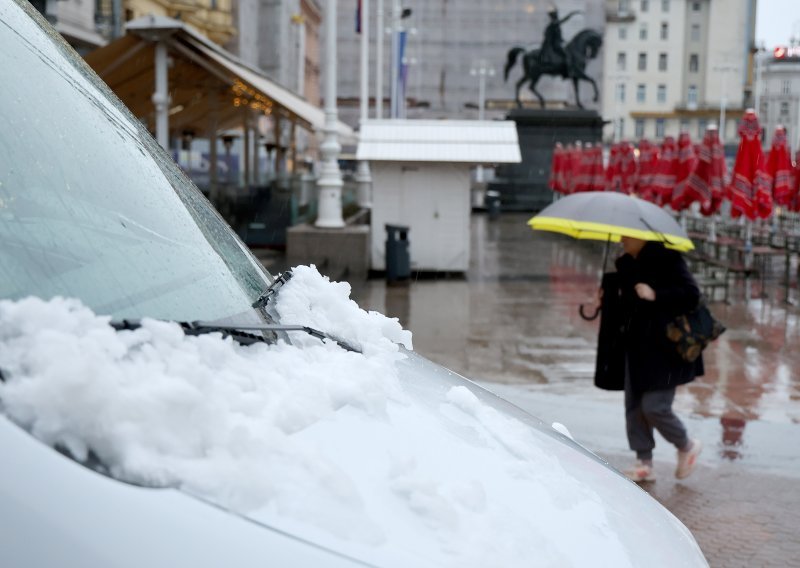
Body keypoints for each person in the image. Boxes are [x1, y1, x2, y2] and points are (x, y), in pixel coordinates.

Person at [612, 236, 704, 482]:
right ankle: (644, 462)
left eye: (627, 235)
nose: (622, 239)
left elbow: (691, 294)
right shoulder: (625, 263)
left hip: (666, 349)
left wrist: (656, 294)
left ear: (642, 236)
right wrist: (605, 295)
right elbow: (627, 305)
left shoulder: (668, 259)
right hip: (636, 346)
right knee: (634, 406)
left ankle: (686, 445)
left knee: (655, 407)